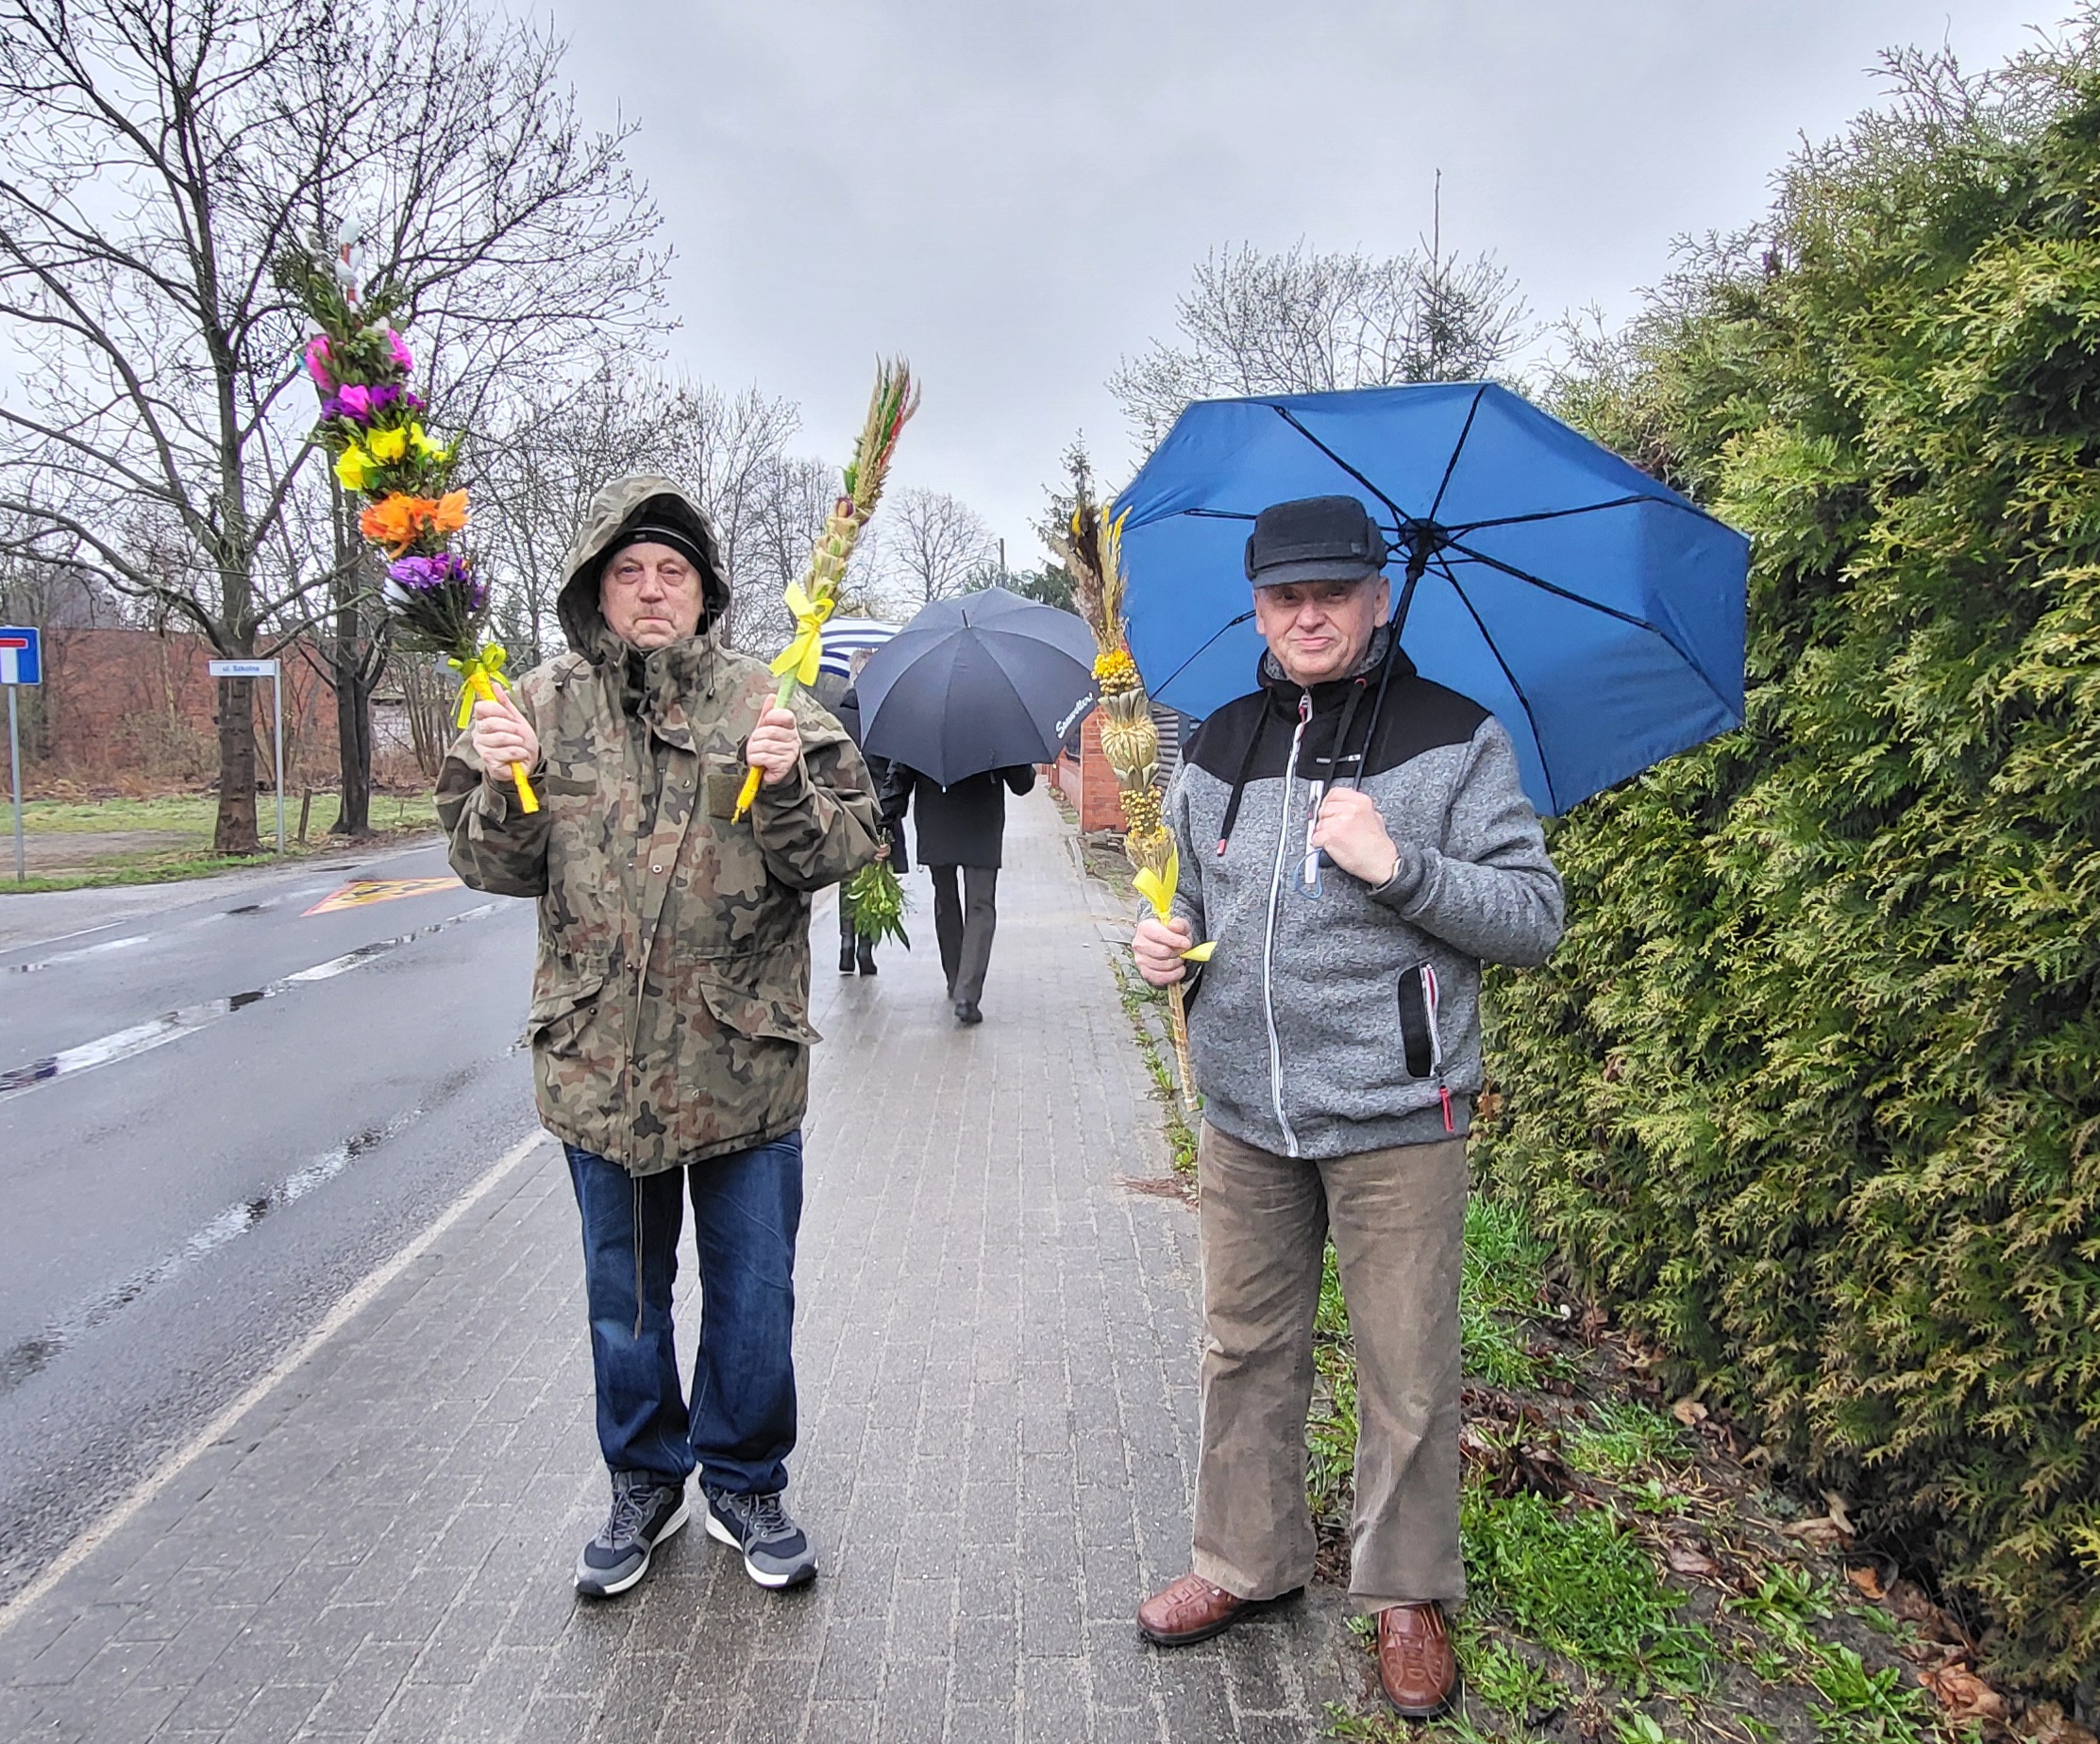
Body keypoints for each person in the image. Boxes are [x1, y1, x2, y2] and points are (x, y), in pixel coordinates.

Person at [1129, 495, 1564, 1718]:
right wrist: (1165, 941)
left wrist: (1397, 864)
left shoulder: (1453, 738)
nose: (1308, 615)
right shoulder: (1215, 741)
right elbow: (1190, 897)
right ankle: (1244, 1561)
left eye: (1332, 592)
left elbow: (1532, 918)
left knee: (1405, 1369)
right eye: (1286, 596)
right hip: (1245, 1114)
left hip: (1394, 1116)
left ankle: (1404, 1592)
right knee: (1243, 1349)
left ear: (1377, 597)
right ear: (1257, 607)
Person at [438, 474, 879, 1601]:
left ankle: (744, 1480)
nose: (649, 590)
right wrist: (499, 781)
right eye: (627, 572)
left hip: (742, 1064)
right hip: (600, 1068)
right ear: (594, 589)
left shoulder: (770, 702)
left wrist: (783, 785)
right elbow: (486, 865)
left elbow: (845, 852)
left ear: (703, 592)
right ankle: (643, 1481)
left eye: (670, 572)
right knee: (624, 1302)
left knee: (752, 1297)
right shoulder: (534, 706)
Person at [882, 760, 1035, 1025]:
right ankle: (967, 994)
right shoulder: (996, 732)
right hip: (982, 819)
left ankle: (955, 978)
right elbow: (1022, 784)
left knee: (945, 899)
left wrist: (885, 820)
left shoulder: (922, 730)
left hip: (935, 817)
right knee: (980, 905)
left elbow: (900, 772)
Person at [832, 647, 909, 975]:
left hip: (844, 807)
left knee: (849, 876)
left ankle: (846, 945)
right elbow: (896, 768)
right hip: (880, 808)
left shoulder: (835, 717)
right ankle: (866, 950)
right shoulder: (887, 717)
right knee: (875, 873)